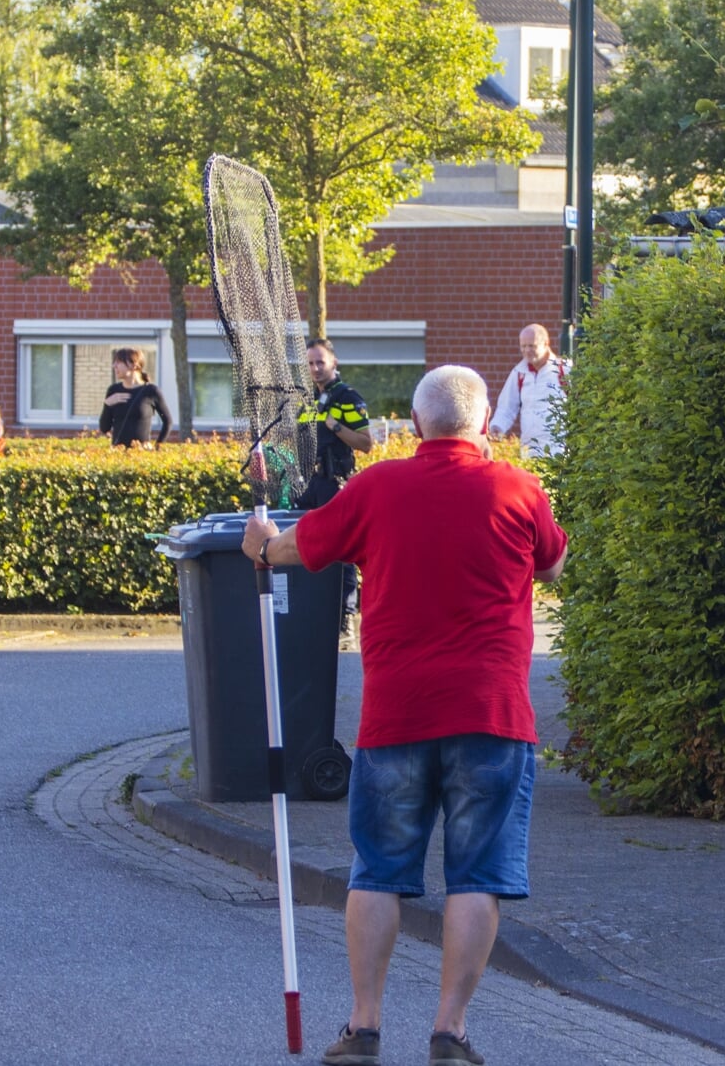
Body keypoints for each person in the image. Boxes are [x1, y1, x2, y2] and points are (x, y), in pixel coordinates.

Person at [241, 365, 565, 1066]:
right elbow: (552, 564)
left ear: (414, 425)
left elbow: (301, 549)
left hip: (396, 717)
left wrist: (262, 543)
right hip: (492, 715)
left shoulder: (377, 487)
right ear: (484, 424)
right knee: (476, 877)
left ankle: (363, 1028)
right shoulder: (517, 487)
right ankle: (450, 1033)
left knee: (379, 871)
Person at [298, 337, 372, 633]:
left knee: (342, 551)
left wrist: (336, 425)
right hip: (309, 484)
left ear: (334, 363)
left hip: (334, 483)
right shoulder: (306, 399)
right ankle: (313, 612)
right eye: (310, 363)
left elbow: (366, 444)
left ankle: (345, 617)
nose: (315, 368)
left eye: (320, 362)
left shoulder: (347, 397)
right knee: (304, 545)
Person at [488, 323, 570, 457]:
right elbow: (506, 407)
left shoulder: (564, 370)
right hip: (529, 451)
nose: (527, 350)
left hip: (560, 451)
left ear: (546, 343)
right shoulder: (519, 373)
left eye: (532, 346)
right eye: (523, 346)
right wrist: (497, 427)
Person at [99, 347, 170, 448]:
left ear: (134, 365)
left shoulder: (150, 391)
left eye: (119, 362)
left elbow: (167, 421)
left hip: (141, 454)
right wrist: (107, 405)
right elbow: (104, 428)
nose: (114, 366)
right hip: (118, 454)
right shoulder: (113, 390)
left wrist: (157, 446)